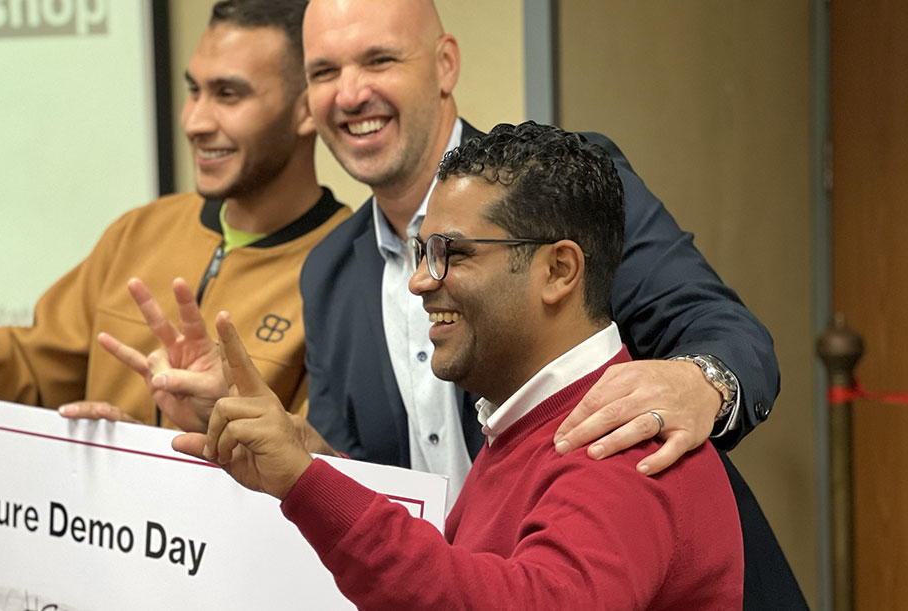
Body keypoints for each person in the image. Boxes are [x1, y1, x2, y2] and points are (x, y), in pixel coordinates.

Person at [298, 0, 807, 608]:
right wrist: (286, 459)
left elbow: (722, 328)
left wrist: (700, 381)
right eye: (323, 73)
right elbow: (364, 479)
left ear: (445, 64)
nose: (349, 94)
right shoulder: (328, 274)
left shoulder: (559, 189)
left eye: (378, 60)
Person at [175, 122, 744, 610]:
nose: (421, 280)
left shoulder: (623, 439)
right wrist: (316, 464)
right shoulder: (522, 422)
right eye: (423, 253)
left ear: (558, 271)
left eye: (454, 254)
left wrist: (306, 483)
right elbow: (454, 571)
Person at [0, 0, 349, 431]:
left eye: (228, 95)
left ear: (307, 108)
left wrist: (156, 453)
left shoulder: (353, 266)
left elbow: (328, 471)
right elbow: (27, 385)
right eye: (194, 90)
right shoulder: (140, 231)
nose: (195, 121)